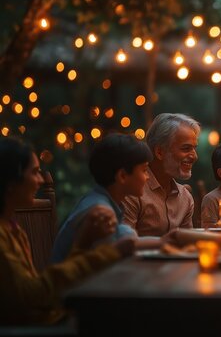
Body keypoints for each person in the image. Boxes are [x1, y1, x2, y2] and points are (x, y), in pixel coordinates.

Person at [0, 137, 134, 325]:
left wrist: (84, 240)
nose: (40, 180)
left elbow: (41, 290)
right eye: (35, 173)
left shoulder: (13, 229)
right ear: (11, 182)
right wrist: (109, 253)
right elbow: (32, 296)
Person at [51, 133, 152, 263]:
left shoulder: (103, 202)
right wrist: (165, 242)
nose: (148, 177)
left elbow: (125, 238)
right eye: (144, 170)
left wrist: (166, 241)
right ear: (122, 176)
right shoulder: (99, 211)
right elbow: (116, 253)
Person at [123, 113, 200, 237]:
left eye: (194, 148)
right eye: (186, 148)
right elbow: (123, 244)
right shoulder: (132, 192)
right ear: (159, 152)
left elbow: (186, 245)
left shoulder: (185, 198)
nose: (195, 156)